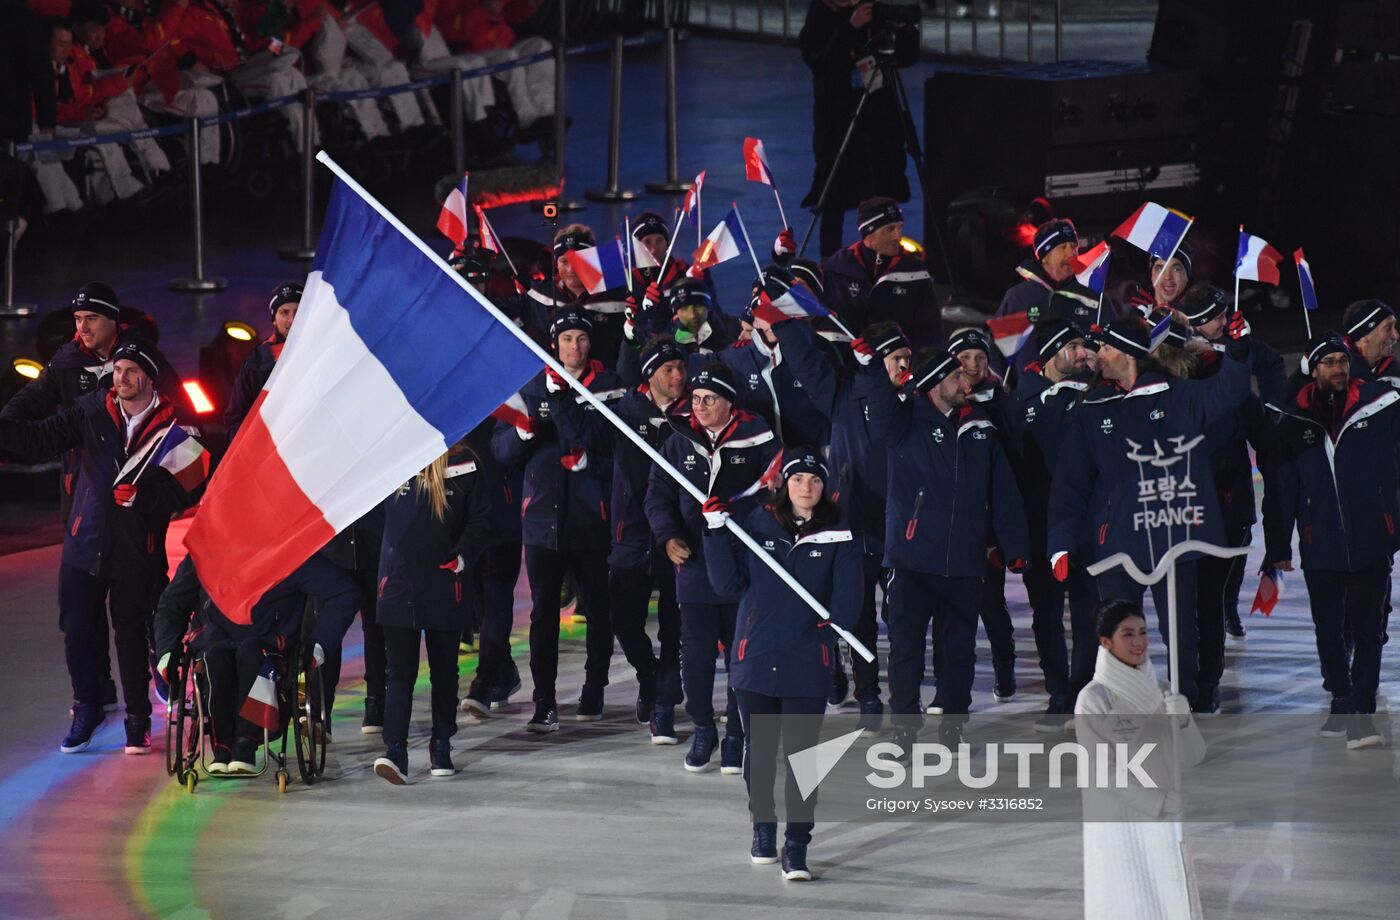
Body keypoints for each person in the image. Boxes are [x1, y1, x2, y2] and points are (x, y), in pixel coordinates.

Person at [0, 340, 203, 754]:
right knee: (76, 632)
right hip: (83, 545)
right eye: (117, 370)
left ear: (148, 377)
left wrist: (143, 499)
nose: (121, 378)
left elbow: (190, 488)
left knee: (130, 636)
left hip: (136, 552)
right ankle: (87, 710)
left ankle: (137, 721)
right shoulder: (92, 410)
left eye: (130, 371)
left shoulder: (174, 426)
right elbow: (42, 438)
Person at [1048, 313, 1253, 710]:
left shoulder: (1176, 395)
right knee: (1117, 633)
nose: (1097, 356)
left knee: (1180, 635)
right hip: (1117, 542)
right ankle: (1123, 710)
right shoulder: (1093, 406)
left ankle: (1184, 709)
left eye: (1104, 348)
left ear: (1127, 353)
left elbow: (1227, 393)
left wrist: (1238, 349)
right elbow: (1070, 480)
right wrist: (1060, 542)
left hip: (1172, 535)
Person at [701, 448, 860, 881]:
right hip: (755, 658)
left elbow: (849, 598)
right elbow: (727, 583)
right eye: (798, 479)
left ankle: (797, 844)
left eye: (814, 480)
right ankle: (764, 828)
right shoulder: (757, 527)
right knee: (761, 754)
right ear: (784, 484)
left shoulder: (839, 535)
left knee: (802, 758)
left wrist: (833, 626)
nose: (806, 487)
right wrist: (715, 534)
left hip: (807, 662)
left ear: (825, 487)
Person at [863, 348, 1029, 753]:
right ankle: (904, 729)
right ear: (936, 384)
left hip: (964, 560)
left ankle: (953, 723)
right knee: (906, 651)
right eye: (956, 378)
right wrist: (872, 364)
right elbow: (879, 401)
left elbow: (1003, 490)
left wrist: (1015, 545)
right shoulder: (905, 423)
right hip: (910, 560)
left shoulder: (980, 427)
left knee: (958, 652)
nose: (965, 383)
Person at [1263, 334, 1400, 749]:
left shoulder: (1380, 407)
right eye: (1328, 363)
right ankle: (1340, 696)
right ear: (1313, 370)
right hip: (1319, 541)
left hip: (1372, 539)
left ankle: (1361, 714)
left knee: (1369, 630)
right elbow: (1281, 488)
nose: (1338, 368)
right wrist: (1278, 547)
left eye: (1343, 360)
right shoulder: (1293, 422)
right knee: (1328, 630)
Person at [772, 318, 911, 724]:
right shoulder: (844, 396)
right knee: (856, 614)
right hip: (851, 525)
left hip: (902, 528)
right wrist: (783, 323)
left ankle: (900, 698)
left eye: (906, 357)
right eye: (896, 358)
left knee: (900, 619)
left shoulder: (916, 400)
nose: (904, 365)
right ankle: (866, 695)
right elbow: (807, 365)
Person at [491, 309, 624, 731]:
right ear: (556, 344)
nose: (574, 346)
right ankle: (543, 701)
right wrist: (524, 435)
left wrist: (590, 463)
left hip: (591, 520)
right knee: (542, 613)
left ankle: (594, 689)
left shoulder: (609, 387)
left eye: (581, 338)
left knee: (599, 610)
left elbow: (618, 450)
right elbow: (500, 451)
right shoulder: (532, 387)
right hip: (542, 522)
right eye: (566, 339)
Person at [645, 362, 779, 773]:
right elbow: (657, 494)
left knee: (742, 656)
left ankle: (737, 733)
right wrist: (668, 536)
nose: (700, 406)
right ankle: (704, 726)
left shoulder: (758, 439)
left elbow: (775, 495)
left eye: (710, 399)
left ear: (729, 403)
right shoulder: (678, 440)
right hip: (696, 566)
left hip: (743, 566)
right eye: (697, 399)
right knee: (697, 657)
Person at [152, 553, 358, 773]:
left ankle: (245, 743)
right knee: (216, 657)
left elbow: (345, 592)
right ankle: (222, 747)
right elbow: (171, 605)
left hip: (267, 645)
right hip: (215, 641)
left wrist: (319, 643)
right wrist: (167, 651)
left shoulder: (289, 550)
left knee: (253, 654)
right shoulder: (207, 551)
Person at [372, 436, 492, 783]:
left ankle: (441, 743)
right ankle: (395, 750)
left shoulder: (466, 464)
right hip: (398, 585)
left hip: (444, 583)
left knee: (443, 670)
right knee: (399, 673)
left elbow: (482, 521)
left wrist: (462, 557)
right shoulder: (393, 458)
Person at [1075, 598, 1205, 920]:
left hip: (1161, 816)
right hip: (1118, 817)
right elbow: (1102, 773)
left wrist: (1185, 719)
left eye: (1143, 632)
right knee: (1125, 898)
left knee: (1168, 896)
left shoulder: (1162, 690)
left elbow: (1192, 757)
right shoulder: (1093, 698)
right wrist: (1158, 801)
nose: (1139, 642)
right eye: (1128, 634)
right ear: (1106, 642)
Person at [1015, 319, 1098, 729]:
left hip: (1085, 528)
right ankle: (1057, 692)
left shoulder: (1093, 396)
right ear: (1052, 352)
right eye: (1076, 346)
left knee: (1087, 614)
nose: (1084, 353)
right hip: (1037, 530)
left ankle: (1083, 694)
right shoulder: (1019, 402)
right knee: (1046, 615)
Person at [607, 338, 688, 742]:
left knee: (674, 627)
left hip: (677, 533)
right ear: (650, 374)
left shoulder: (692, 413)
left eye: (680, 368)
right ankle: (649, 675)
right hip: (632, 534)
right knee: (623, 618)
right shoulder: (624, 411)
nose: (678, 377)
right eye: (669, 369)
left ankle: (664, 707)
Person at [798, 0, 918, 259]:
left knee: (884, 190)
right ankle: (830, 266)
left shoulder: (875, 14)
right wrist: (850, 27)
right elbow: (821, 62)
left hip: (879, 120)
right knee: (834, 196)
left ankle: (887, 257)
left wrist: (903, 31)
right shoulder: (821, 17)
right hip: (838, 123)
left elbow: (905, 58)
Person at [948, 327, 1021, 703]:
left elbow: (1012, 456)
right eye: (965, 358)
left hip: (987, 523)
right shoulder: (937, 400)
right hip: (946, 525)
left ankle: (1004, 667)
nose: (974, 365)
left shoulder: (1000, 399)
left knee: (990, 604)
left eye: (980, 357)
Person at [721, 272, 833, 448]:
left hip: (812, 463)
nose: (772, 320)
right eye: (764, 312)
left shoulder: (821, 350)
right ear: (755, 320)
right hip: (763, 465)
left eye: (778, 312)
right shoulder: (734, 359)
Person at [819, 198, 941, 348]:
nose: (898, 236)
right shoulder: (835, 271)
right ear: (868, 233)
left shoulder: (915, 273)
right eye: (890, 229)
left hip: (900, 367)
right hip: (851, 367)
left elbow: (930, 332)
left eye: (900, 227)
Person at [225, 281, 302, 440]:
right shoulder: (257, 361)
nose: (292, 320)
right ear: (274, 319)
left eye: (298, 311)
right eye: (284, 312)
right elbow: (235, 417)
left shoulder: (321, 350)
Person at [1340, 299, 1400, 386]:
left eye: (1394, 326)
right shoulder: (1337, 376)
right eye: (1388, 328)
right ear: (1363, 338)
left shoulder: (1393, 368)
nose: (1396, 336)